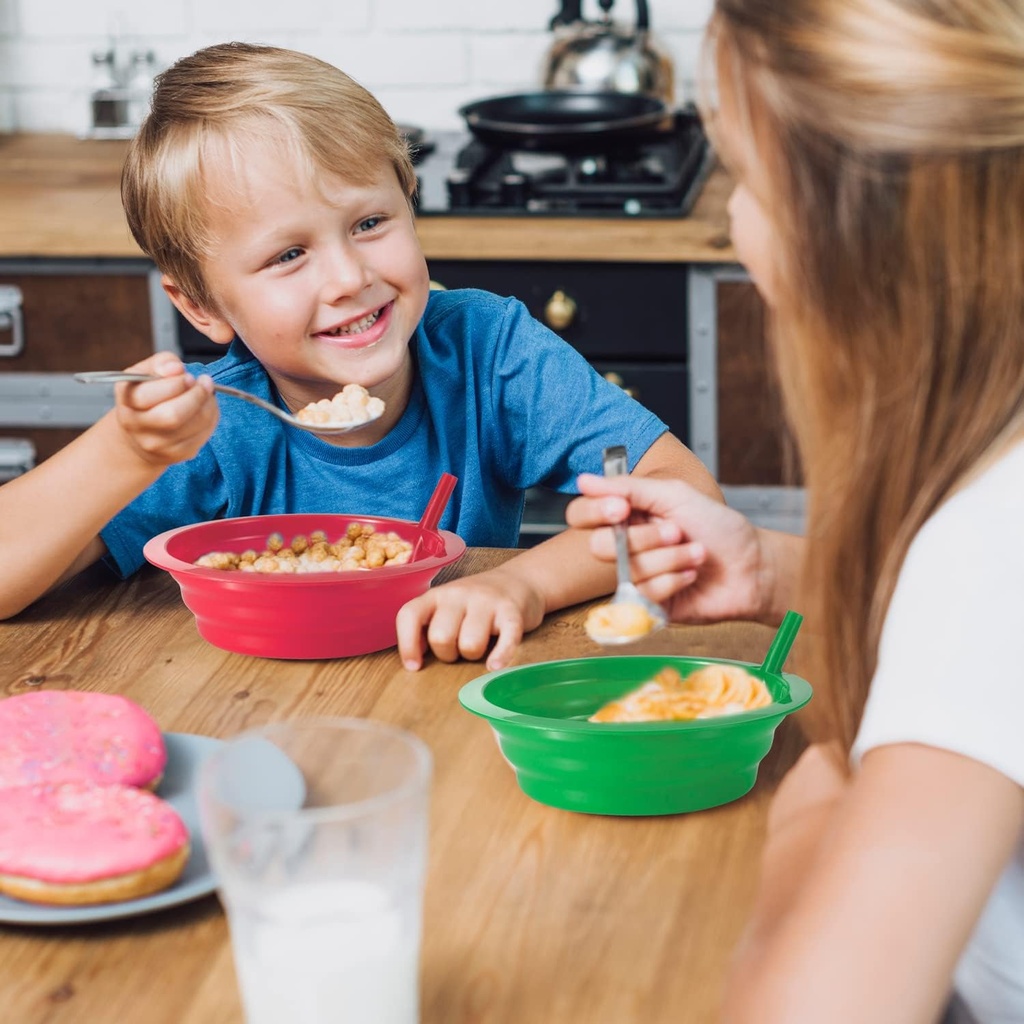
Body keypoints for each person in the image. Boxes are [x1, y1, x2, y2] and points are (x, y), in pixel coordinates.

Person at [566, 1, 1024, 1021]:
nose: (730, 222)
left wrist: (811, 823)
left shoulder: (991, 549)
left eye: (743, 178)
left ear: (845, 239)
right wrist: (779, 569)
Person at [0, 42, 720, 671]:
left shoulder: (488, 350)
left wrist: (521, 585)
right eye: (288, 255)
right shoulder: (215, 429)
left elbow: (684, 503)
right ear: (202, 306)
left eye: (371, 222)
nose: (350, 278)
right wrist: (127, 450)